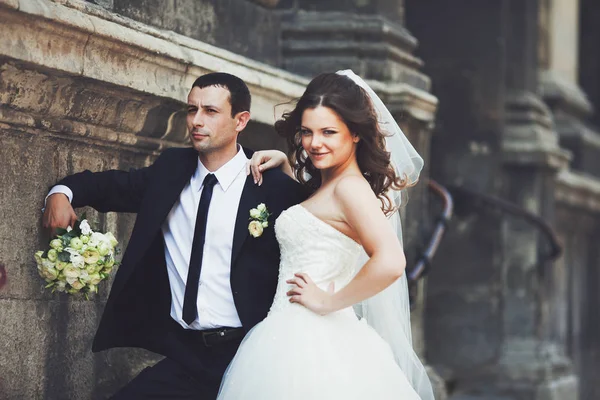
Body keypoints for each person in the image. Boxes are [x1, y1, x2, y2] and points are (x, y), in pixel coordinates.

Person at [42, 72, 307, 399]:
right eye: (191, 109)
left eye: (210, 111)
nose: (196, 120)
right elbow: (110, 186)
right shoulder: (171, 169)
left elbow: (325, 212)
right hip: (187, 357)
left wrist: (287, 167)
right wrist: (61, 193)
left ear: (241, 120)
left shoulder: (271, 186)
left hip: (248, 354)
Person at [216, 70, 435, 399]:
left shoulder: (350, 188)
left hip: (311, 339)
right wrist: (287, 169)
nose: (315, 143)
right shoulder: (331, 182)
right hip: (287, 331)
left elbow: (391, 261)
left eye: (328, 132)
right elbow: (322, 221)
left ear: (356, 134)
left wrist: (329, 300)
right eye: (307, 132)